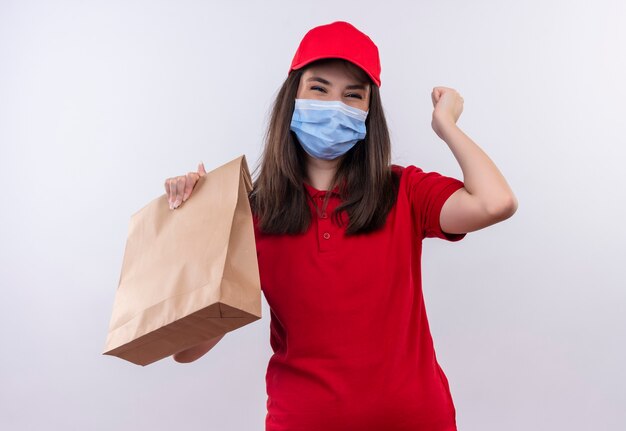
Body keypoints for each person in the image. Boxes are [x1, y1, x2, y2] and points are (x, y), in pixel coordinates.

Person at [164, 21, 517, 431]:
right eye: (319, 88)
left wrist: (447, 126)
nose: (336, 105)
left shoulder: (404, 191)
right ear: (292, 97)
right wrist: (200, 222)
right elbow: (187, 350)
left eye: (354, 95)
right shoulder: (253, 214)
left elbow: (496, 202)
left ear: (369, 113)